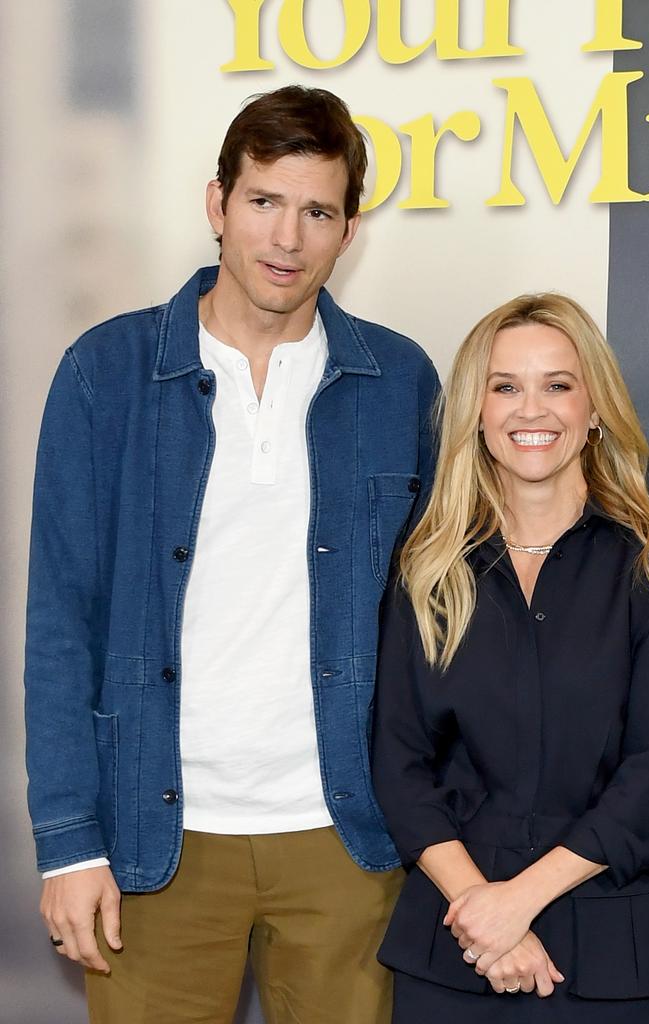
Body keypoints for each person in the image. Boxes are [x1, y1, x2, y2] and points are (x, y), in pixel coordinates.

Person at [24, 85, 440, 1024]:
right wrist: (67, 844)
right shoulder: (106, 373)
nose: (287, 237)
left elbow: (434, 617)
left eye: (317, 211)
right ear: (218, 205)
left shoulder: (399, 381)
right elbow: (60, 618)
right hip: (152, 840)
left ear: (348, 231)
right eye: (263, 202)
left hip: (348, 836)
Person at [371, 293, 649, 1022]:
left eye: (558, 385)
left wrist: (515, 905)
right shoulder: (427, 571)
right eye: (505, 387)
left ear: (595, 410)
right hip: (454, 953)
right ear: (476, 412)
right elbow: (399, 767)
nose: (532, 410)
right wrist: (480, 910)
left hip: (618, 956)